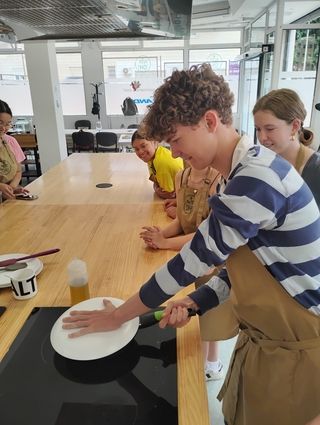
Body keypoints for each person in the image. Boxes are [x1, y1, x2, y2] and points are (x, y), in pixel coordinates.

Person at [63, 64, 320, 425]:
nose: (177, 153)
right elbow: (242, 269)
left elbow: (193, 260)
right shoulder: (243, 172)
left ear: (210, 121)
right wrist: (195, 300)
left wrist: (119, 315)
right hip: (269, 343)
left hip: (296, 350)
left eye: (178, 140)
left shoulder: (256, 178)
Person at [140, 163, 227, 380]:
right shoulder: (182, 175)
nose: (177, 152)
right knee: (188, 315)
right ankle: (201, 366)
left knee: (209, 316)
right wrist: (160, 235)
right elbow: (181, 220)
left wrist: (165, 243)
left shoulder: (220, 179)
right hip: (186, 256)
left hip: (210, 259)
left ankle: (210, 366)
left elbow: (205, 234)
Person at [253, 88, 320, 206]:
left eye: (270, 129)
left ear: (294, 126)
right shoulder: (259, 162)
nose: (262, 137)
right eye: (258, 129)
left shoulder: (316, 170)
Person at [131, 130, 184, 218]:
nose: (140, 152)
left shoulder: (161, 161)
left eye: (143, 146)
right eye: (136, 149)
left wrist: (156, 189)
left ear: (155, 142)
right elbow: (156, 181)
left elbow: (169, 194)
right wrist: (156, 187)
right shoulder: (155, 155)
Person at [0, 99, 28, 200]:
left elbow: (17, 170)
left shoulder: (7, 142)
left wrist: (11, 189)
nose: (4, 128)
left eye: (7, 124)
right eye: (0, 123)